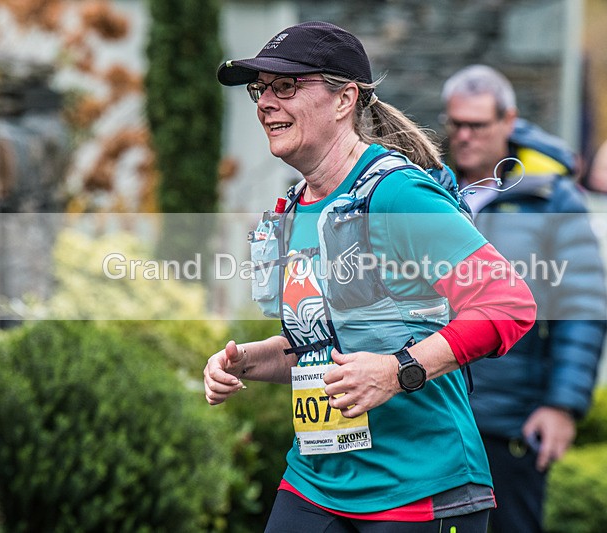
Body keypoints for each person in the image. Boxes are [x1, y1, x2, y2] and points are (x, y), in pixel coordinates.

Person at [206, 22, 537, 533]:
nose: (265, 103)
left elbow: (509, 305)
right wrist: (247, 361)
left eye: (285, 86)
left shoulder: (397, 195)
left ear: (344, 100)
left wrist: (397, 370)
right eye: (260, 89)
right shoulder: (294, 210)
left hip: (421, 490)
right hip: (315, 483)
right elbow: (323, 347)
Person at [441, 64, 607, 533]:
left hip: (510, 420)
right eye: (456, 123)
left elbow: (583, 306)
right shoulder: (431, 188)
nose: (464, 135)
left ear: (508, 121)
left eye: (478, 124)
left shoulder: (552, 198)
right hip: (432, 409)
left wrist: (562, 406)